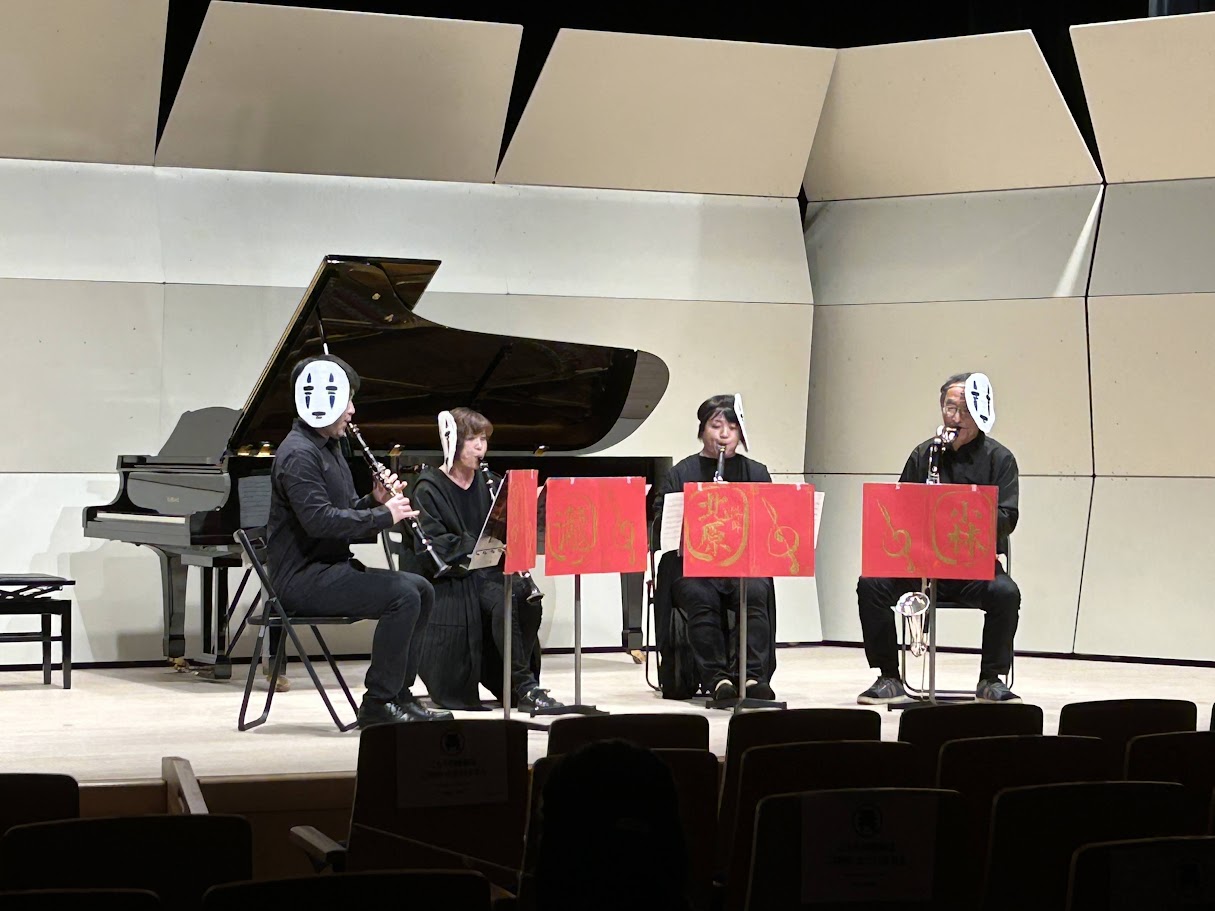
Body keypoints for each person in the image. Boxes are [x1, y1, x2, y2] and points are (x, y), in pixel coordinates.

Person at [267, 355, 451, 727]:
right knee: (403, 595)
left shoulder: (328, 447)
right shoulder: (298, 455)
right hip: (302, 580)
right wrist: (385, 516)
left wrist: (375, 501)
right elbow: (320, 522)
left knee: (422, 588)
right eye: (346, 400)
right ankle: (378, 702)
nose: (352, 410)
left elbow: (344, 511)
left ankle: (399, 695)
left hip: (330, 568)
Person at [856, 372, 1021, 705]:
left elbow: (1007, 518)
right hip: (921, 564)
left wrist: (956, 510)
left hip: (970, 566)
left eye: (965, 410)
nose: (955, 417)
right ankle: (889, 677)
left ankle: (991, 679)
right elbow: (900, 508)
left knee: (1006, 593)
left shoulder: (999, 459)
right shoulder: (924, 455)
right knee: (870, 584)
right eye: (949, 408)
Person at [404, 407, 564, 712]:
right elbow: (433, 545)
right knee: (505, 601)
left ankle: (515, 684)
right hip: (453, 577)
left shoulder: (490, 482)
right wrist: (478, 545)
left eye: (484, 439)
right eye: (472, 439)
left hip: (487, 572)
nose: (480, 447)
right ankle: (525, 687)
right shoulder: (428, 487)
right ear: (452, 442)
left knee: (525, 598)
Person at [651, 394, 777, 702]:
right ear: (702, 429)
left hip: (741, 566)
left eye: (732, 428)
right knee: (700, 595)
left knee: (755, 591)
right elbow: (660, 524)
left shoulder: (756, 473)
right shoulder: (681, 472)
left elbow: (772, 524)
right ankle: (717, 679)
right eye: (716, 426)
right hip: (690, 565)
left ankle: (752, 676)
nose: (724, 435)